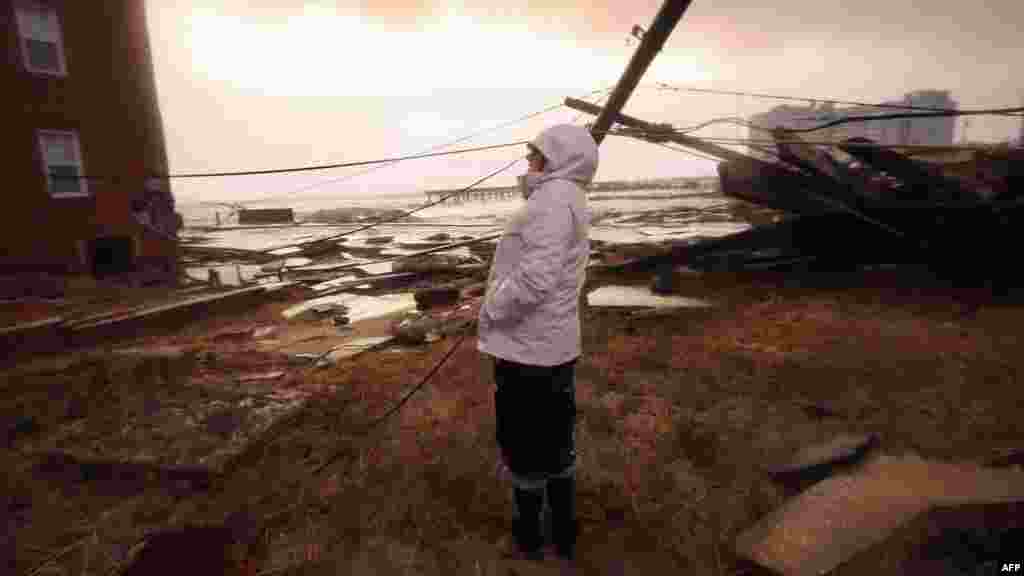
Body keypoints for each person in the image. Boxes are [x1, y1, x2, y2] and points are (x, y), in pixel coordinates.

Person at [477, 124, 598, 568]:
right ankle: (564, 532)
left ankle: (529, 539)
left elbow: (535, 279)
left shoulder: (551, 202)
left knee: (526, 444)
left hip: (529, 348)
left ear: (555, 158)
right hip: (550, 344)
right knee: (554, 439)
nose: (527, 160)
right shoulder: (565, 198)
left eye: (534, 153)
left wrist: (492, 307)